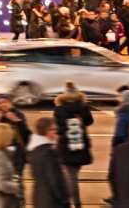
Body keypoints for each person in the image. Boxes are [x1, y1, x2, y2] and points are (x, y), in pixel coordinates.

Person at [52, 80, 93, 208]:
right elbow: (89, 122)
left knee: (71, 178)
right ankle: (74, 202)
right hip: (81, 145)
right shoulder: (83, 107)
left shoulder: (59, 109)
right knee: (73, 175)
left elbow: (60, 129)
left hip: (66, 146)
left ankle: (74, 203)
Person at [28, 117, 68, 208]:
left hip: (39, 199)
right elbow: (54, 180)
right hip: (52, 202)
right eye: (53, 129)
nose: (56, 132)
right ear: (47, 131)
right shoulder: (49, 153)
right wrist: (64, 199)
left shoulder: (34, 151)